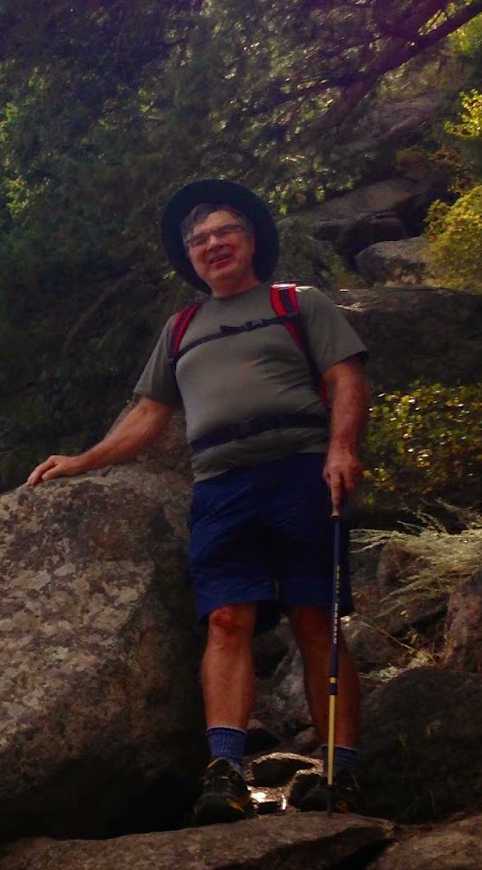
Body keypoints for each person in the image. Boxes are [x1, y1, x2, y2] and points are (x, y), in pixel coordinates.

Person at [25, 179, 370, 823]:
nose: (212, 245)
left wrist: (342, 448)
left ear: (251, 240)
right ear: (190, 257)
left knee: (315, 620)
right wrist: (83, 460)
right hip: (219, 486)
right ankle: (227, 771)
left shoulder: (299, 303)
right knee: (226, 620)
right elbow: (149, 413)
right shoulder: (181, 328)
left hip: (300, 471)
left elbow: (345, 376)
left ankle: (340, 771)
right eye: (199, 240)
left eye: (224, 232)